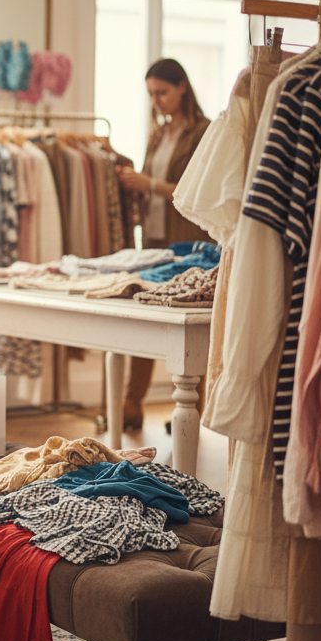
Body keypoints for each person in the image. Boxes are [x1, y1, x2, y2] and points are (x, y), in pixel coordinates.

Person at [116, 58, 211, 429]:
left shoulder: (202, 132)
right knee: (147, 316)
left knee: (188, 324)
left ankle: (190, 407)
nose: (157, 101)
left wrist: (150, 185)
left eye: (162, 93)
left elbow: (197, 190)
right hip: (155, 237)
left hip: (187, 239)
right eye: (152, 95)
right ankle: (131, 401)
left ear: (182, 88)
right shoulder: (159, 134)